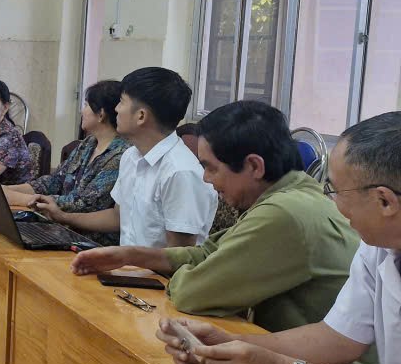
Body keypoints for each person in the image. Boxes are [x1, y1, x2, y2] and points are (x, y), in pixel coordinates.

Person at [155, 111, 401, 364]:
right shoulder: (377, 247)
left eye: (335, 190)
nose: (332, 202)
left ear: (385, 201)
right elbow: (338, 337)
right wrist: (229, 344)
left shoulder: (292, 212)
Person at [73, 100, 358, 332]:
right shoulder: (286, 194)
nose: (206, 179)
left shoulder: (285, 212)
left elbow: (193, 293)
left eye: (211, 168)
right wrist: (130, 256)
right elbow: (208, 253)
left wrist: (197, 274)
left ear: (254, 166)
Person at [46, 67, 215, 248]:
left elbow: (179, 255)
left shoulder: (180, 172)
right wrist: (63, 217)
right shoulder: (131, 156)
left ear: (141, 116)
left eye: (121, 102)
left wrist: (117, 258)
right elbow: (117, 217)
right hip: (126, 264)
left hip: (150, 268)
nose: (116, 109)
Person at [4, 79, 128, 245]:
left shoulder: (122, 154)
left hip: (90, 242)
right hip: (61, 230)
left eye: (86, 105)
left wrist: (19, 199)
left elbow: (84, 204)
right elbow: (54, 181)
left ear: (101, 114)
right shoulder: (88, 144)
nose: (82, 111)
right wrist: (6, 190)